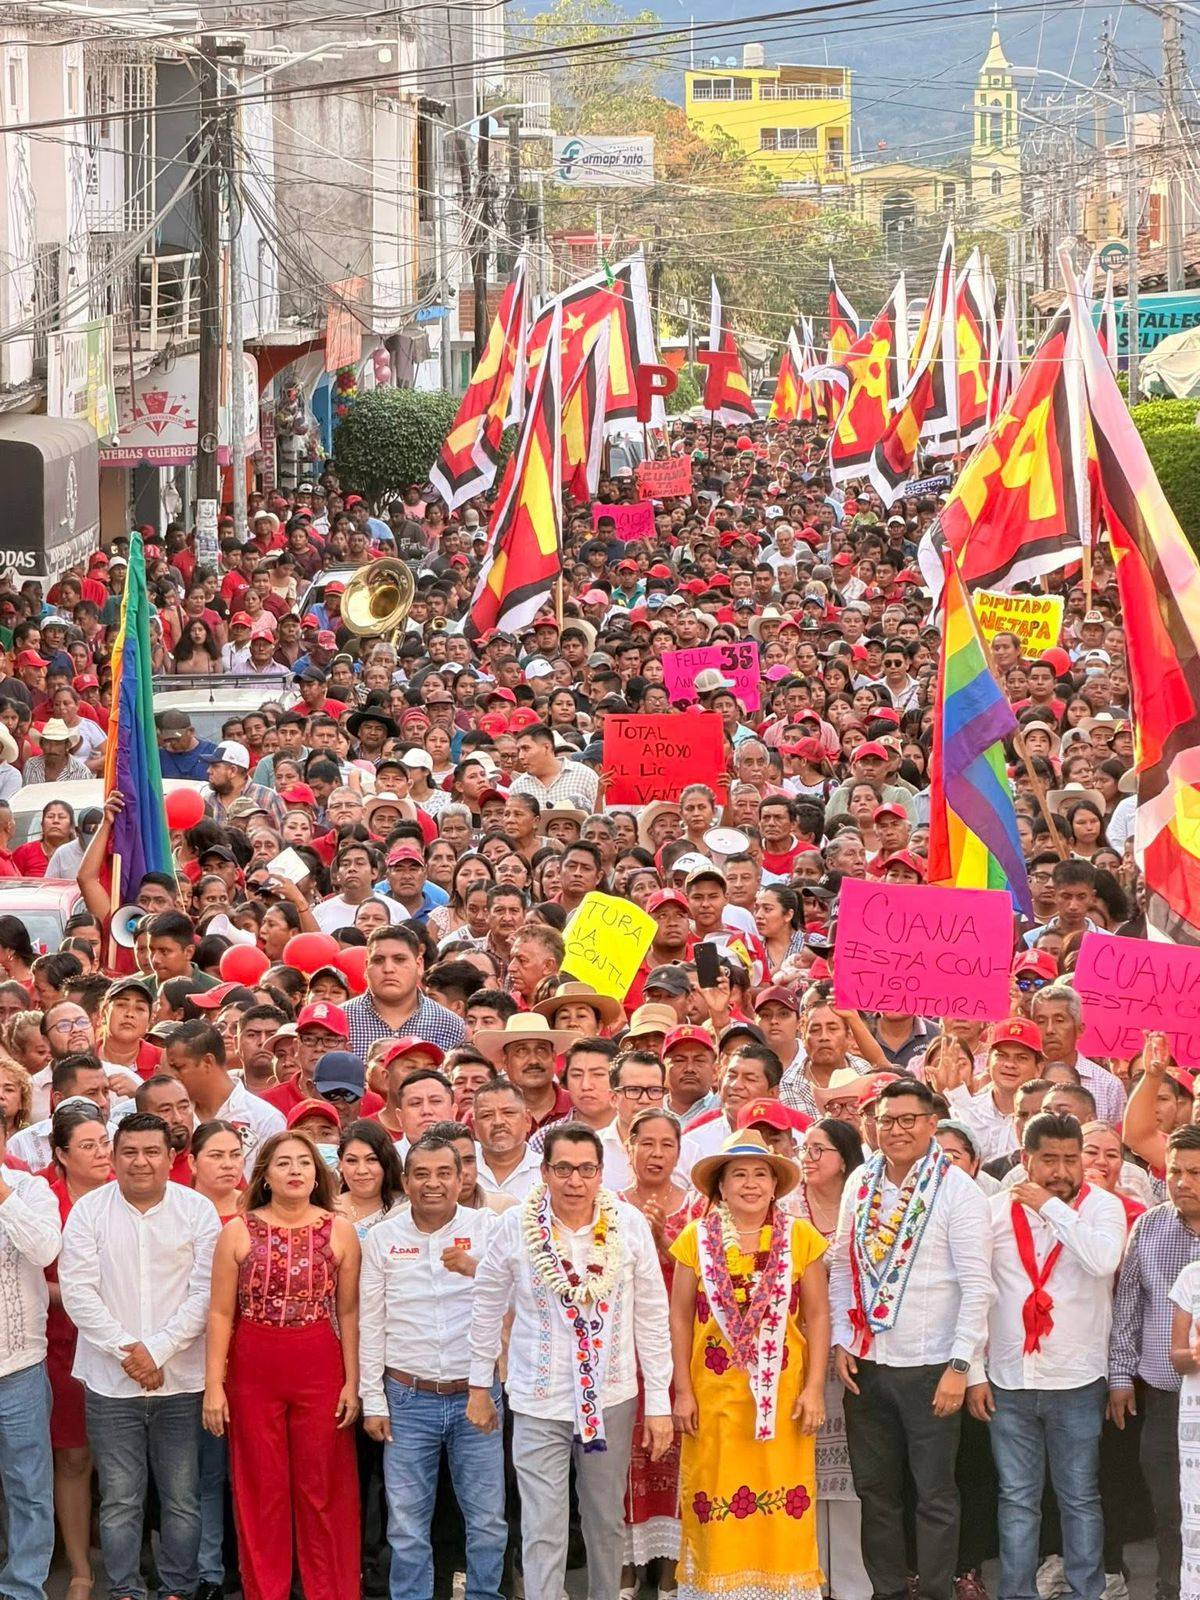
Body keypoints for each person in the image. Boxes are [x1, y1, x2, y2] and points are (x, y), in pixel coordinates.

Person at [467, 1123, 674, 1600]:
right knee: (542, 1524)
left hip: (611, 1397)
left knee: (605, 1519)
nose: (575, 1181)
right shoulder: (514, 1226)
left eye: (586, 1169)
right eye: (563, 1169)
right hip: (538, 1400)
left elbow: (652, 1316)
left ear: (601, 1173)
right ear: (544, 1172)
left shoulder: (629, 1225)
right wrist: (479, 1386)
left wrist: (659, 1405)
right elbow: (485, 1306)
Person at [829, 1079, 994, 1600]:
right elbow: (842, 1266)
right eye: (885, 1120)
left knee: (934, 1494)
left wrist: (960, 1366)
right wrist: (841, 1339)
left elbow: (978, 1287)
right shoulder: (861, 1180)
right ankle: (888, 1591)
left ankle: (937, 1592)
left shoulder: (958, 1190)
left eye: (908, 1120)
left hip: (931, 1366)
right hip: (867, 1363)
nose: (895, 1130)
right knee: (875, 1491)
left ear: (931, 1124)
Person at [59, 1111, 219, 1600]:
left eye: (152, 1151)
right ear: (114, 1156)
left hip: (181, 1381)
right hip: (110, 1383)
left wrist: (159, 1350)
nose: (140, 1162)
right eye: (129, 1152)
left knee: (182, 1499)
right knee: (119, 1500)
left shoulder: (197, 1211)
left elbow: (206, 1293)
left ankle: (178, 1589)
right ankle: (125, 1589)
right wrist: (129, 1352)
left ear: (172, 1157)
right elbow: (78, 1291)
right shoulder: (89, 1212)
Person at [968, 1112, 1126, 1600]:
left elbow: (1103, 1260)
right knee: (1017, 1499)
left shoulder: (1103, 1207)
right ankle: (1017, 1593)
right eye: (1049, 1160)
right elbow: (975, 1293)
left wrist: (1053, 1209)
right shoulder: (993, 1212)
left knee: (1079, 1496)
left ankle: (1086, 1592)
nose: (1061, 1171)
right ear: (1025, 1159)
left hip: (1077, 1379)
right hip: (1010, 1380)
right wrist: (973, 1372)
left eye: (1071, 1160)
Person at [670, 1128, 830, 1600]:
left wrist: (814, 1388)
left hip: (784, 1400)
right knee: (715, 1492)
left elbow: (819, 1315)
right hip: (714, 1400)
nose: (750, 1184)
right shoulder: (695, 1239)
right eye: (738, 1175)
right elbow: (679, 1317)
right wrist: (683, 1391)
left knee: (782, 1495)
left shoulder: (800, 1238)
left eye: (761, 1174)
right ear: (720, 1186)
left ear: (775, 1184)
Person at [203, 1129, 362, 1600]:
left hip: (320, 1363)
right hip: (253, 1366)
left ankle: (329, 1591)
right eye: (284, 1163)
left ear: (318, 1174)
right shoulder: (237, 1230)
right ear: (265, 1175)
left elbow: (350, 1312)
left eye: (304, 1162)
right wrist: (214, 1386)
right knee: (261, 1488)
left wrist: (352, 1382)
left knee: (323, 1487)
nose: (295, 1171)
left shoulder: (340, 1230)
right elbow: (220, 1313)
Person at [359, 1135, 506, 1600]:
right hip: (406, 1398)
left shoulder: (490, 1229)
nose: (433, 1183)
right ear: (405, 1182)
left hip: (476, 1396)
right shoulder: (383, 1238)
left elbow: (520, 1296)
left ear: (463, 1179)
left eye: (445, 1173)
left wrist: (476, 1268)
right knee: (405, 1525)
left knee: (487, 1520)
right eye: (421, 1174)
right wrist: (373, 1400)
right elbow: (370, 1322)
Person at [1109, 1124, 1200, 1600]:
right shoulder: (1149, 1225)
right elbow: (1127, 1306)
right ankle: (1171, 1588)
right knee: (1170, 1504)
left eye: (1196, 1173)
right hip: (1165, 1398)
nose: (1182, 1182)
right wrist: (1120, 1376)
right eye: (1175, 1171)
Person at [620, 1108, 690, 1590]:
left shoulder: (699, 1207)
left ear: (679, 1152)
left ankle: (671, 1566)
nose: (656, 1153)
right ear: (629, 1147)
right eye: (647, 1143)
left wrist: (664, 1240)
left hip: (679, 1345)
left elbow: (704, 1275)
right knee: (626, 1454)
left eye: (667, 1145)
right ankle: (628, 1561)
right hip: (623, 1350)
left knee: (677, 1452)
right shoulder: (610, 1206)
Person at [45, 1102, 112, 1600]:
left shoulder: (127, 1192)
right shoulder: (42, 1200)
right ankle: (80, 1569)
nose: (102, 1153)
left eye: (104, 1142)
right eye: (87, 1146)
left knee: (122, 1458)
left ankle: (127, 1555)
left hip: (122, 1341)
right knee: (72, 1457)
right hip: (61, 1342)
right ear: (62, 1155)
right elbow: (27, 1278)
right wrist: (79, 1294)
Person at [0, 1099, 61, 1600]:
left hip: (18, 1365)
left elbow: (44, 1249)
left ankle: (23, 1589)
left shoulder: (29, 1188)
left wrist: (1, 1193)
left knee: (28, 1487)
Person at [336, 1117, 404, 1237]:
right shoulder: (326, 1211)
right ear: (340, 1164)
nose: (361, 1170)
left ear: (386, 1161)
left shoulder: (406, 1209)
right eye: (352, 1160)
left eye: (372, 1159)